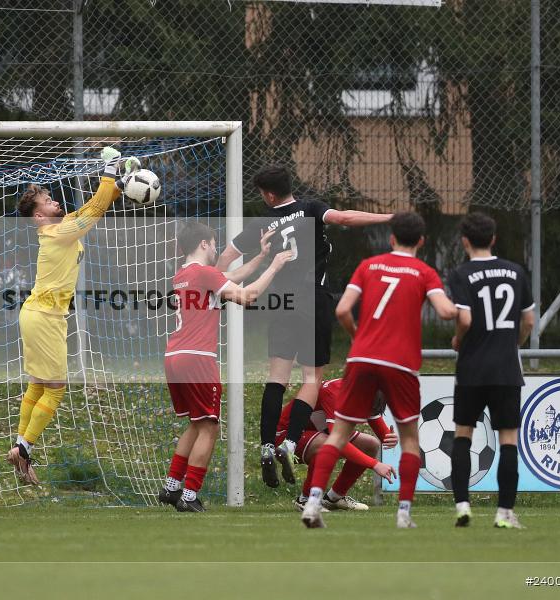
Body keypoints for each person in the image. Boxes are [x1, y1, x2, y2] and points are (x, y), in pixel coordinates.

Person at [216, 165, 391, 488]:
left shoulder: (262, 223)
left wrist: (218, 282)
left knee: (277, 377)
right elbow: (344, 219)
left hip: (281, 303)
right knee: (312, 378)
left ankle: (267, 444)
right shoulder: (310, 209)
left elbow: (227, 255)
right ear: (286, 187)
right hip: (314, 299)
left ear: (268, 195)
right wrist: (388, 218)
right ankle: (291, 442)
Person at [301, 212, 457, 529]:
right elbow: (444, 311)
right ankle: (404, 514)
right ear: (422, 242)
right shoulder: (424, 271)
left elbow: (343, 309)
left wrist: (358, 334)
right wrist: (464, 315)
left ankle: (313, 504)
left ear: (391, 238)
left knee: (339, 435)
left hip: (361, 358)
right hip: (399, 361)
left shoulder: (369, 266)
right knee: (410, 439)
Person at [9, 147, 139, 484]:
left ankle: (19, 447)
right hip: (44, 316)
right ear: (39, 216)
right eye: (48, 202)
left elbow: (95, 204)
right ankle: (24, 448)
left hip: (39, 314)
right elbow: (95, 208)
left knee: (39, 385)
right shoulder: (56, 232)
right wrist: (109, 168)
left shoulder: (62, 226)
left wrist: (120, 181)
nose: (55, 203)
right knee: (55, 389)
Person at [159, 221, 292, 511]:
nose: (216, 248)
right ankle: (190, 496)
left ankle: (171, 488)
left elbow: (230, 277)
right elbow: (247, 295)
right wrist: (275, 266)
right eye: (214, 243)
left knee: (196, 424)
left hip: (174, 356)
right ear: (205, 244)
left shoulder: (183, 274)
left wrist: (259, 257)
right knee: (209, 428)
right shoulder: (205, 273)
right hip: (198, 358)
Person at [447, 212, 535, 529]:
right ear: (494, 239)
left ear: (465, 241)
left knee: (463, 435)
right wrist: (515, 343)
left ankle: (462, 506)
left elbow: (466, 319)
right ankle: (504, 514)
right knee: (508, 439)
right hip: (506, 369)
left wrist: (458, 338)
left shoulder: (460, 274)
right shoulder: (515, 271)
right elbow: (527, 322)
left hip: (471, 368)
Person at [275, 378, 397, 512]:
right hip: (286, 437)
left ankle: (334, 498)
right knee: (327, 444)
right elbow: (337, 441)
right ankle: (306, 499)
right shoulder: (336, 393)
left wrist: (390, 439)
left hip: (319, 432)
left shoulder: (365, 391)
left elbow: (383, 434)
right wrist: (375, 464)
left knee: (370, 445)